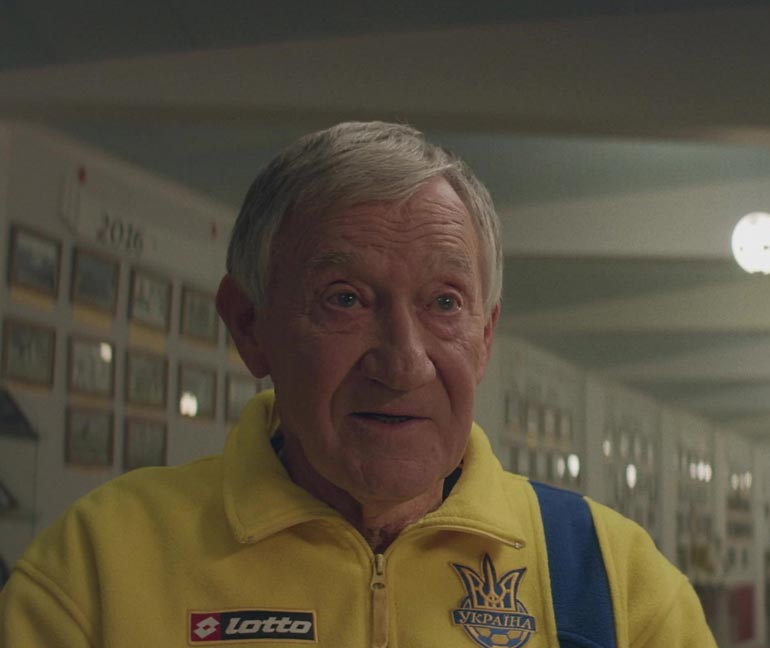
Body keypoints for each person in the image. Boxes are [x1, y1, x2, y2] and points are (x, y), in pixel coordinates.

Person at [0, 122, 716, 647]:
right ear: (249, 325)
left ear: (485, 336)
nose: (402, 362)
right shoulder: (100, 568)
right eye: (345, 298)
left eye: (444, 303)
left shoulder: (617, 582)